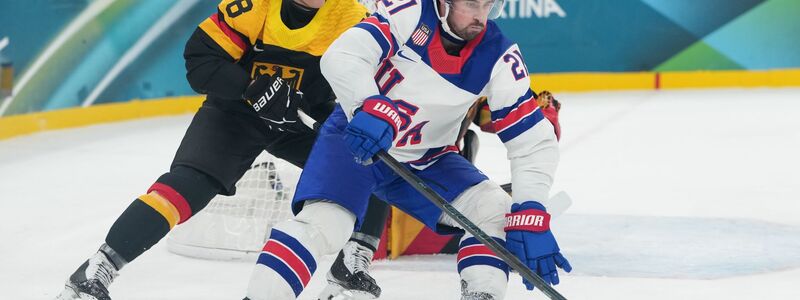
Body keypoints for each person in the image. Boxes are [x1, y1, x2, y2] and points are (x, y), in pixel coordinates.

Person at [53, 0, 392, 299]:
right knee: (186, 187)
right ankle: (97, 270)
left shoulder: (353, 18)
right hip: (237, 114)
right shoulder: (254, 6)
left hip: (300, 119)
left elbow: (372, 85)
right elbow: (200, 61)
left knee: (375, 163)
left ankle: (351, 265)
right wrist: (251, 87)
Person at [243, 0, 570, 299]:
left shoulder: (500, 55)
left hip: (429, 158)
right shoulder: (408, 11)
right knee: (326, 224)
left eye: (488, 6)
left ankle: (482, 295)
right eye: (471, 5)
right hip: (358, 139)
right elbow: (343, 55)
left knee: (497, 211)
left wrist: (531, 207)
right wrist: (366, 104)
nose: (480, 18)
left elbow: (532, 142)